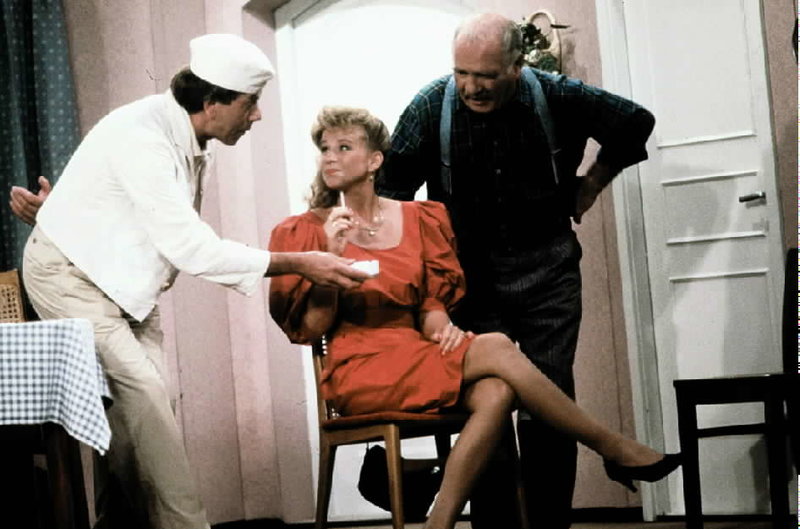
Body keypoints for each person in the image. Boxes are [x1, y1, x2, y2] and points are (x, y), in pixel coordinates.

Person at [16, 34, 369, 529]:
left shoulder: (193, 140)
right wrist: (301, 262)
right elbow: (191, 247)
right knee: (146, 401)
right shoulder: (143, 136)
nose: (257, 116)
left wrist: (66, 212)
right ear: (211, 103)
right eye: (250, 103)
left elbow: (131, 213)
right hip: (69, 276)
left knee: (148, 410)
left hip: (124, 287)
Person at [269, 106, 679, 529]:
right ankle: (611, 446)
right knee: (497, 345)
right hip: (361, 367)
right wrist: (331, 258)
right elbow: (312, 328)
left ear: (375, 160)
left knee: (496, 392)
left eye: (343, 147)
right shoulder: (304, 231)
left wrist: (443, 327)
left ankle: (439, 523)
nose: (330, 157)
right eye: (325, 149)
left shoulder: (418, 218)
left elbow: (429, 303)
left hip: (414, 352)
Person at [376, 13, 657, 528]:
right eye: (462, 72)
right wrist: (422, 278)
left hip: (548, 273)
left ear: (517, 65)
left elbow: (635, 120)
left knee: (550, 401)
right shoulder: (431, 105)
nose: (471, 87)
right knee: (489, 407)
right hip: (471, 283)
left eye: (486, 75)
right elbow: (390, 193)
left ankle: (549, 524)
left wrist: (592, 183)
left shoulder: (557, 95)